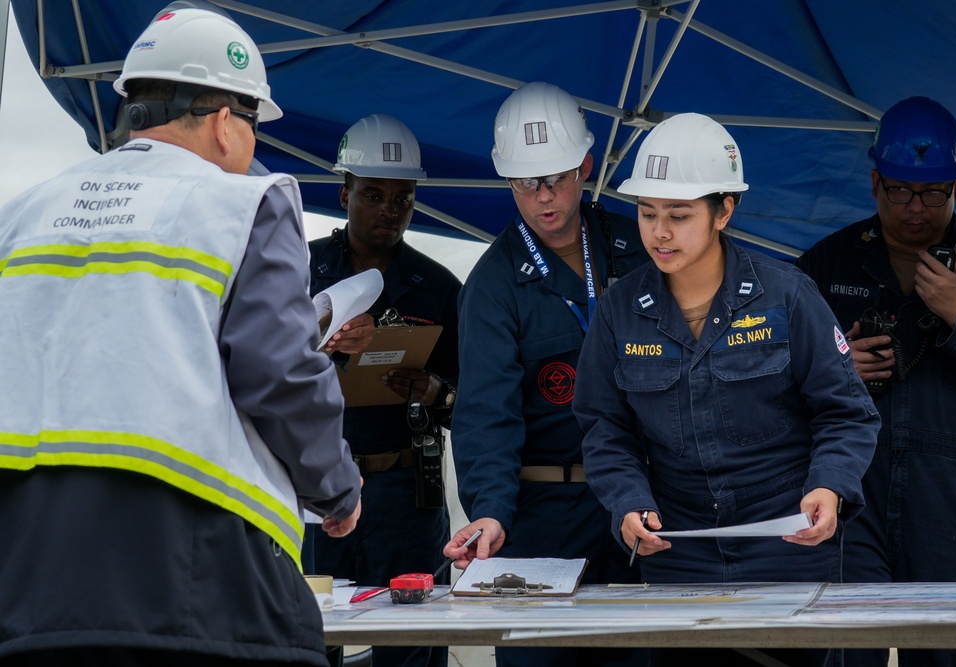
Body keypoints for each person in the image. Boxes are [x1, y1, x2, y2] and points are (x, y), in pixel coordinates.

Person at [0, 8, 364, 667]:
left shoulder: (22, 213)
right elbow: (280, 371)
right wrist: (336, 490)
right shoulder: (241, 203)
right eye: (254, 124)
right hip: (195, 582)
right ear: (227, 120)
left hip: (26, 587)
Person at [572, 113, 881, 667]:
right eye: (647, 213)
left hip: (789, 547)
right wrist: (627, 502)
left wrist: (829, 488)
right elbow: (604, 427)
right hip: (677, 552)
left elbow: (847, 414)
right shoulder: (620, 311)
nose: (658, 232)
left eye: (679, 215)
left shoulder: (786, 295)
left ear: (725, 210)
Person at [443, 81, 650, 667]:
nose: (544, 196)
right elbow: (486, 414)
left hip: (639, 503)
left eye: (556, 177)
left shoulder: (635, 247)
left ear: (585, 166)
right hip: (539, 513)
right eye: (526, 182)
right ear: (507, 181)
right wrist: (488, 510)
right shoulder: (492, 283)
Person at [796, 96, 956, 667]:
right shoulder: (827, 264)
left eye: (933, 193)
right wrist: (837, 373)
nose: (916, 208)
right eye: (900, 191)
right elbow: (773, 386)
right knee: (843, 651)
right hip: (849, 495)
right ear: (874, 181)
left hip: (955, 505)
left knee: (945, 653)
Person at [305, 114, 460, 667]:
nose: (389, 210)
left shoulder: (439, 287)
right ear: (344, 192)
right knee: (312, 636)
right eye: (373, 194)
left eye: (403, 198)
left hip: (403, 492)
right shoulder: (301, 272)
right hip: (317, 491)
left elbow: (470, 400)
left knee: (413, 642)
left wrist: (433, 389)